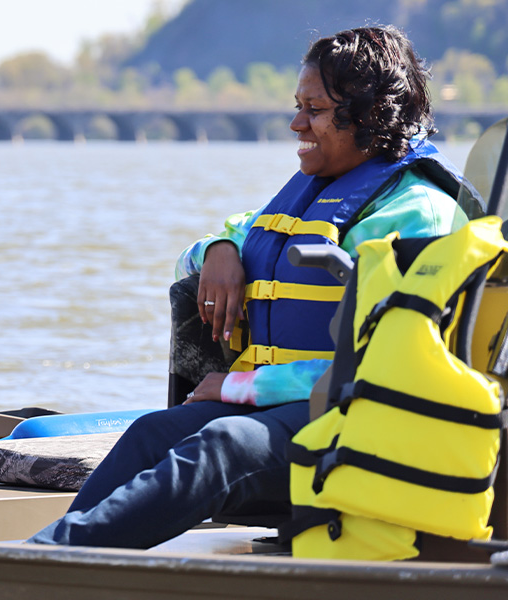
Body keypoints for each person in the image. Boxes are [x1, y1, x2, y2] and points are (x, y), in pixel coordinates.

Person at [28, 25, 481, 549]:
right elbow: (195, 256)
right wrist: (220, 249)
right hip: (286, 409)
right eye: (297, 105)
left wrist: (241, 387)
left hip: (366, 425)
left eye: (314, 109)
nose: (296, 123)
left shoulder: (419, 213)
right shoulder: (316, 190)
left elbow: (382, 365)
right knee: (151, 433)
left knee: (222, 444)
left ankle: (52, 559)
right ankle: (54, 556)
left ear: (369, 114)